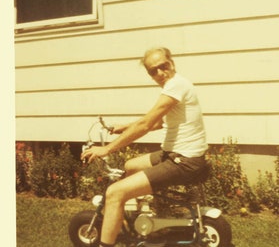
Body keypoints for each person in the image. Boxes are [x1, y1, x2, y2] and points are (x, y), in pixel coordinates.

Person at [81, 47, 209, 247]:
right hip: (175, 154)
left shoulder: (176, 86)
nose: (159, 73)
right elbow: (159, 122)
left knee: (114, 192)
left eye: (163, 66)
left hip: (183, 161)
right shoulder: (175, 86)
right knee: (131, 166)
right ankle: (138, 219)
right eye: (153, 71)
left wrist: (106, 149)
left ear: (172, 63)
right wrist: (124, 126)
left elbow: (146, 124)